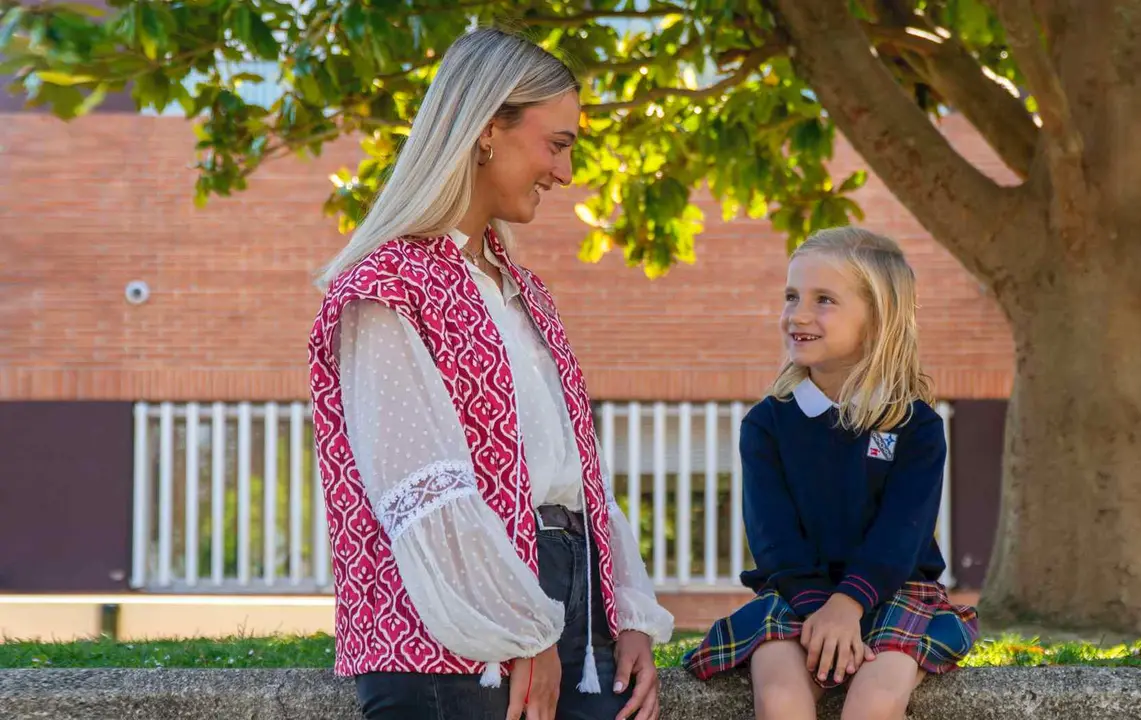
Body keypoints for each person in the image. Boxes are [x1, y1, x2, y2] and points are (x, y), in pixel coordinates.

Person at [307, 27, 673, 720]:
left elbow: (574, 468)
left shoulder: (522, 291)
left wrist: (625, 613)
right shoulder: (385, 285)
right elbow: (417, 484)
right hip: (457, 632)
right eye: (556, 144)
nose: (564, 173)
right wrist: (516, 630)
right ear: (485, 130)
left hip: (569, 601)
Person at [682, 226, 979, 720]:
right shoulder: (767, 424)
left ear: (878, 319)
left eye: (824, 300)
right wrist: (821, 609)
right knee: (778, 693)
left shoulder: (915, 425)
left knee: (876, 699)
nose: (797, 314)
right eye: (792, 296)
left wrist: (850, 605)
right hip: (796, 593)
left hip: (894, 590)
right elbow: (772, 536)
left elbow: (901, 534)